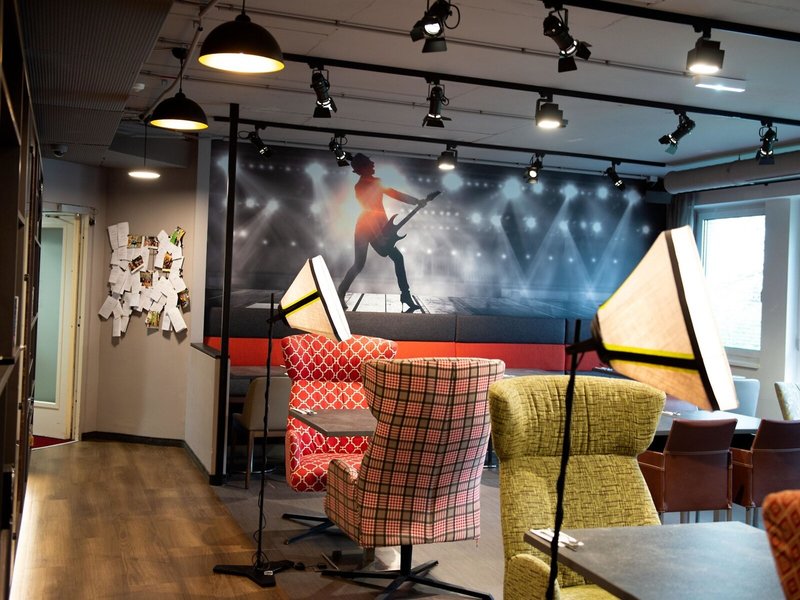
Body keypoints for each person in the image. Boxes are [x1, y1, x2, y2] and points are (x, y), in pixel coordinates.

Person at [338, 153, 435, 312]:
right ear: (363, 168)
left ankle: (405, 295)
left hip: (379, 228)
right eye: (369, 163)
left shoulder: (377, 182)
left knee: (397, 258)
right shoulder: (360, 187)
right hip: (365, 229)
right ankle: (341, 292)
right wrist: (379, 236)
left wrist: (416, 201)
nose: (373, 164)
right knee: (359, 264)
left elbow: (395, 194)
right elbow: (368, 212)